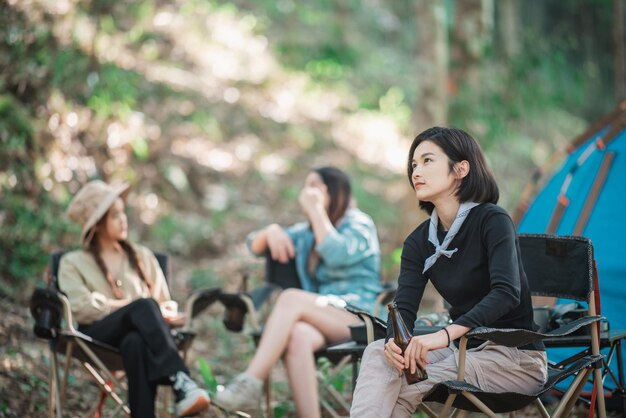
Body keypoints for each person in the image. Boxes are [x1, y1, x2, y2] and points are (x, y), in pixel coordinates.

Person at [350, 127, 548, 417]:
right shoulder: (419, 241)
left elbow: (506, 293)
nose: (416, 171)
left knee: (404, 386)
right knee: (379, 354)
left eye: (428, 161)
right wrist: (395, 342)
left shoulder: (492, 220)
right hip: (461, 352)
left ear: (461, 169)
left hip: (514, 358)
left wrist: (443, 336)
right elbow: (403, 309)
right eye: (414, 164)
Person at [213, 166, 382, 417]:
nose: (306, 192)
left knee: (290, 297)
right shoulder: (307, 233)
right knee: (298, 336)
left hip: (362, 319)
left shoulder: (359, 223)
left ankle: (250, 382)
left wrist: (316, 210)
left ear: (332, 191)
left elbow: (335, 253)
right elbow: (254, 246)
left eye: (313, 185)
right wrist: (271, 230)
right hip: (327, 316)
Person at [58, 180, 210, 418]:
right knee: (143, 306)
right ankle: (181, 379)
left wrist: (170, 316)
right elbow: (80, 308)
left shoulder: (141, 256)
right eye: (115, 215)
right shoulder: (73, 262)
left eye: (123, 212)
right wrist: (131, 308)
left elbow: (162, 302)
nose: (123, 219)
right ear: (97, 225)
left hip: (142, 338)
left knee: (135, 341)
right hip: (96, 337)